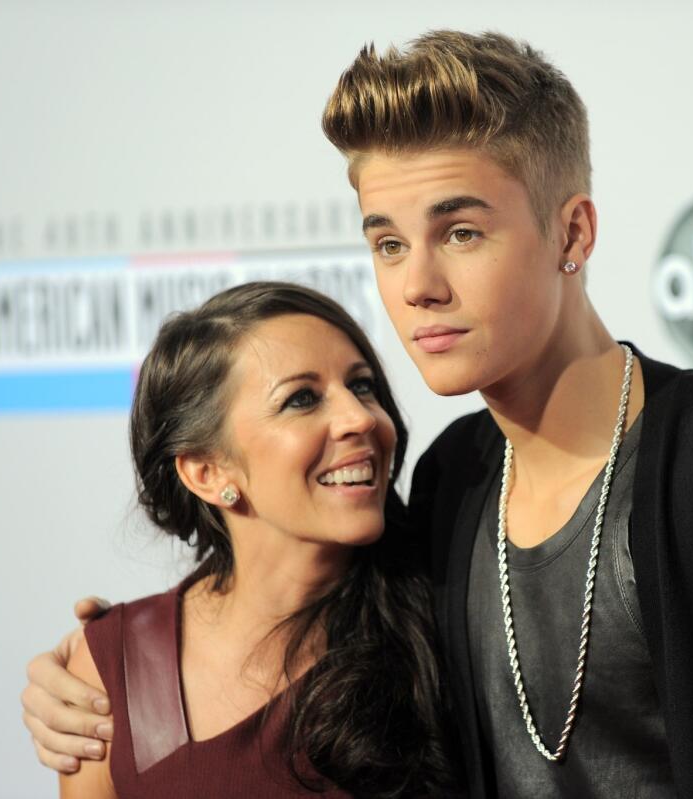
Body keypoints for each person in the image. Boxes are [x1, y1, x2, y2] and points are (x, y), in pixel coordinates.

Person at [23, 31, 693, 798]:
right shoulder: (445, 492)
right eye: (389, 243)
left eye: (461, 232)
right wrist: (92, 665)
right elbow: (270, 620)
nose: (419, 286)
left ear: (573, 231)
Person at [50, 282, 457, 798]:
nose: (360, 418)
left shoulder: (447, 612)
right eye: (302, 399)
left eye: (362, 386)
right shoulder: (112, 667)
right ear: (206, 471)